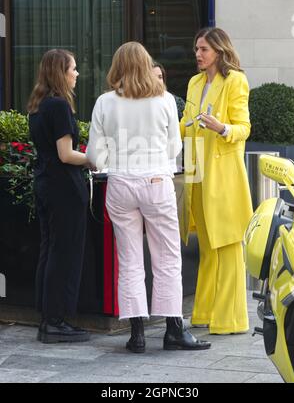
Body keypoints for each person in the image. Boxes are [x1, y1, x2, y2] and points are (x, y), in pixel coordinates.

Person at [87, 42, 211, 353]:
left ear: (117, 66)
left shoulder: (104, 102)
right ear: (146, 65)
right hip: (156, 181)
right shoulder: (166, 100)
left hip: (120, 183)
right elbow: (174, 148)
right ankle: (173, 329)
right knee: (167, 258)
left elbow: (94, 154)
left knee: (129, 260)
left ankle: (137, 334)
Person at [180, 28, 253, 335]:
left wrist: (221, 127)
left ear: (220, 52)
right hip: (197, 173)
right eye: (197, 48)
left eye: (204, 49)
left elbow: (243, 128)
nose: (198, 54)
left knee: (228, 246)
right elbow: (185, 123)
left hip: (223, 175)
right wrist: (185, 125)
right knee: (208, 248)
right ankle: (205, 313)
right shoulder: (195, 82)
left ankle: (230, 319)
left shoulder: (236, 80)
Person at [28, 49, 91, 344]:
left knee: (49, 250)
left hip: (44, 184)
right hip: (64, 188)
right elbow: (66, 155)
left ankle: (47, 319)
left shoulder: (38, 106)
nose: (76, 73)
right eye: (73, 69)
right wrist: (94, 159)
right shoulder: (59, 106)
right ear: (60, 73)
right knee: (64, 253)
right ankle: (57, 320)